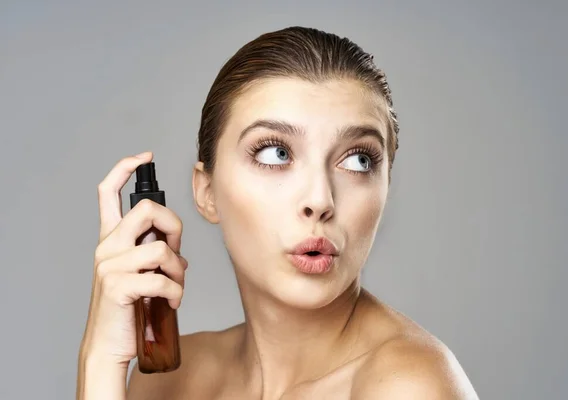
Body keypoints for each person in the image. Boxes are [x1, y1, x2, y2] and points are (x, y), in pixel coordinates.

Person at [77, 26, 479, 399]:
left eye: (358, 160)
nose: (320, 200)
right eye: (276, 153)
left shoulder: (407, 386)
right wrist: (101, 359)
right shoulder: (172, 380)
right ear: (207, 191)